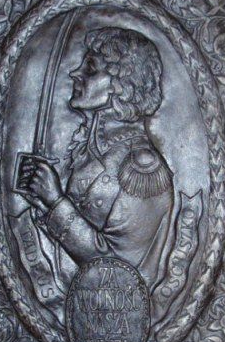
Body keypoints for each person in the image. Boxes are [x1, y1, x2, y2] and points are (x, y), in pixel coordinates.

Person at [21, 27, 174, 289]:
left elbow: (119, 268)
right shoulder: (89, 152)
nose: (75, 73)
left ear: (121, 86)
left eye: (91, 68)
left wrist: (55, 202)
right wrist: (44, 204)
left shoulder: (142, 167)